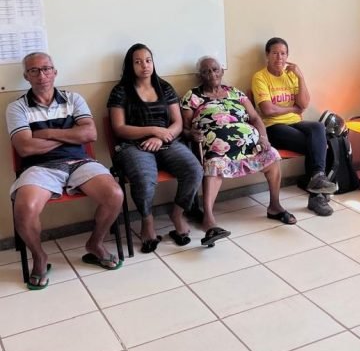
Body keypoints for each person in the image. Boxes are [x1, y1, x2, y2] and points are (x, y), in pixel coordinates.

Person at [8, 52, 125, 290]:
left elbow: (90, 134)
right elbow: (25, 147)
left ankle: (95, 243)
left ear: (55, 72)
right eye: (34, 70)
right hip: (40, 167)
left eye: (46, 68)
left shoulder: (73, 99)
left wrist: (47, 133)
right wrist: (71, 135)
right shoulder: (16, 107)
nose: (42, 75)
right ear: (26, 76)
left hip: (80, 161)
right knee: (24, 208)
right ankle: (39, 256)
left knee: (115, 195)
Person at [107, 43, 214, 253]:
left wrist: (161, 137)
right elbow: (119, 128)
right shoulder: (120, 91)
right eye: (138, 62)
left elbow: (177, 123)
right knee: (145, 179)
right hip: (133, 146)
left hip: (166, 141)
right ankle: (147, 221)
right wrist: (154, 130)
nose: (144, 66)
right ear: (130, 66)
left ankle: (177, 214)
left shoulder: (164, 87)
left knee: (194, 170)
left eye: (148, 60)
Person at [182, 56, 296, 228]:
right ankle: (208, 217)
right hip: (217, 147)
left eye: (215, 69)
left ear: (222, 71)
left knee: (271, 155)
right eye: (206, 71)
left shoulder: (235, 92)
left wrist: (263, 138)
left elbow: (255, 118)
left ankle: (274, 206)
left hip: (250, 143)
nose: (212, 74)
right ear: (200, 76)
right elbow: (184, 128)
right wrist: (191, 134)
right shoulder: (192, 96)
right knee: (214, 164)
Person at [252, 37, 337, 216]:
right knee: (319, 145)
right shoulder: (260, 77)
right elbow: (268, 110)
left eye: (283, 54)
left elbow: (304, 104)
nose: (279, 58)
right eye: (275, 53)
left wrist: (300, 76)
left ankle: (317, 179)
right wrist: (293, 108)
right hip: (273, 127)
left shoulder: (291, 75)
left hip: (296, 122)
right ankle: (317, 196)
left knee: (318, 128)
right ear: (267, 55)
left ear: (287, 55)